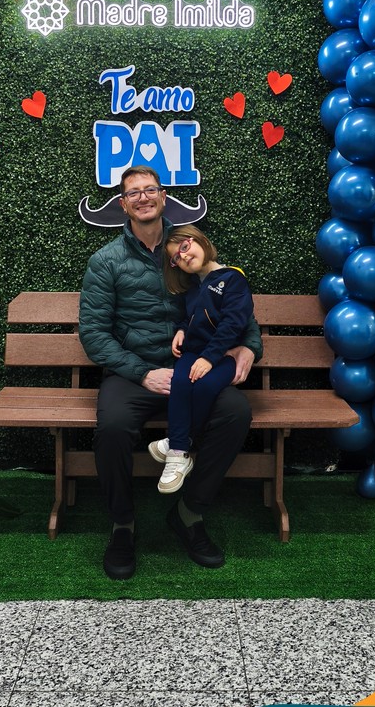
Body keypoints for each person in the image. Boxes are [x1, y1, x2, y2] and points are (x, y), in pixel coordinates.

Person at [79, 165, 262, 580]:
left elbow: (234, 299)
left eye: (150, 190)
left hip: (195, 369)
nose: (143, 198)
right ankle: (122, 525)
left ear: (163, 197)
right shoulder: (106, 261)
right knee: (112, 427)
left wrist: (249, 346)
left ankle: (189, 513)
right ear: (123, 204)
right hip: (134, 374)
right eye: (134, 193)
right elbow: (93, 333)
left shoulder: (186, 247)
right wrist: (143, 373)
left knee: (235, 413)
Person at [148, 224, 254, 496]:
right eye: (176, 258)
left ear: (200, 241)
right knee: (181, 382)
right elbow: (192, 317)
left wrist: (210, 358)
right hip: (193, 353)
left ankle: (176, 443)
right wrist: (182, 330)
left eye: (185, 247)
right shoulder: (194, 287)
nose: (183, 256)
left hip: (224, 356)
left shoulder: (232, 278)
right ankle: (179, 455)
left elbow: (233, 324)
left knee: (205, 387)